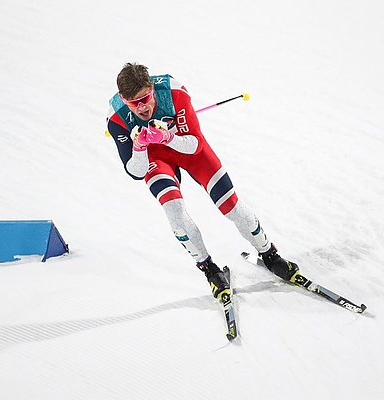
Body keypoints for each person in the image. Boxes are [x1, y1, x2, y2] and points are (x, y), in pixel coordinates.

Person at [106, 62, 299, 300]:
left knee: (231, 206)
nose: (142, 107)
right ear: (123, 100)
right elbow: (136, 172)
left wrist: (166, 137)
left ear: (152, 88)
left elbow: (195, 145)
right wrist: (139, 147)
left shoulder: (173, 93)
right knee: (174, 213)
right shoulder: (116, 117)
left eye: (145, 98)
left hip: (186, 147)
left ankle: (270, 255)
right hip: (155, 158)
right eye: (134, 103)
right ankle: (210, 270)